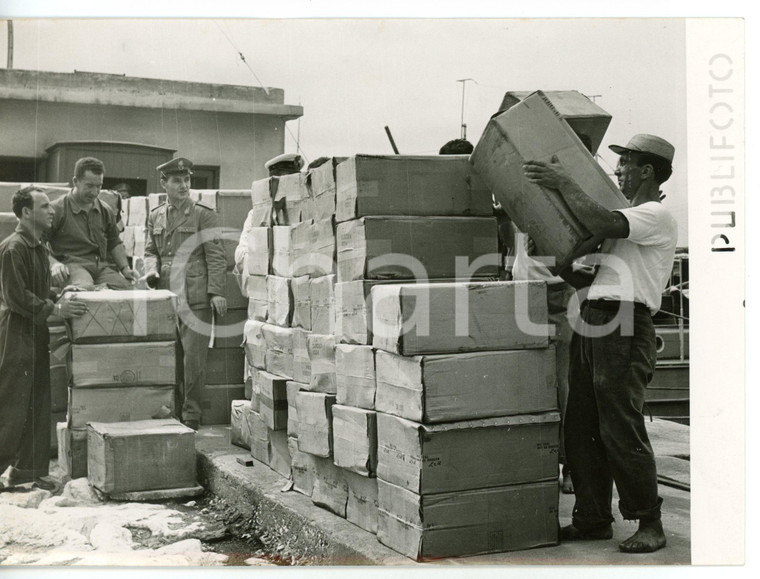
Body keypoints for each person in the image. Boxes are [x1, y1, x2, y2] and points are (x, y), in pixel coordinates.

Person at [523, 134, 678, 554]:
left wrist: (562, 182)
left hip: (625, 322)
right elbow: (594, 280)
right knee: (582, 425)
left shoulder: (654, 214)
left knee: (619, 425)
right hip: (595, 316)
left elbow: (605, 222)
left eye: (625, 164)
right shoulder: (626, 225)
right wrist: (564, 258)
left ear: (647, 170)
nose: (618, 172)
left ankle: (650, 522)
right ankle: (592, 519)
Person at [0, 187, 88, 492]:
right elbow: (17, 297)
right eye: (44, 206)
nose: (52, 211)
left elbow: (37, 289)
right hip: (15, 332)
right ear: (26, 213)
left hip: (35, 330)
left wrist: (59, 295)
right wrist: (56, 307)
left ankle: (29, 470)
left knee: (39, 399)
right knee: (12, 404)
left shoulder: (37, 247)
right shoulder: (14, 248)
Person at [143, 157, 227, 430]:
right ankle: (173, 409)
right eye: (177, 180)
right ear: (164, 183)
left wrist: (216, 292)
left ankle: (191, 415)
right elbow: (149, 252)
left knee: (193, 360)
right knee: (169, 356)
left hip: (195, 296)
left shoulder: (204, 214)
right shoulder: (155, 215)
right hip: (165, 294)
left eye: (187, 180)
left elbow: (215, 255)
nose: (184, 185)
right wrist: (151, 272)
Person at [48, 157, 134, 289]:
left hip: (100, 267)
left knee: (128, 292)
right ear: (75, 181)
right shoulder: (56, 210)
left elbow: (114, 242)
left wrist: (125, 268)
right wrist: (53, 264)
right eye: (89, 186)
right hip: (71, 266)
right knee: (83, 291)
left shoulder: (105, 210)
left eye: (99, 186)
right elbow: (37, 243)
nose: (94, 192)